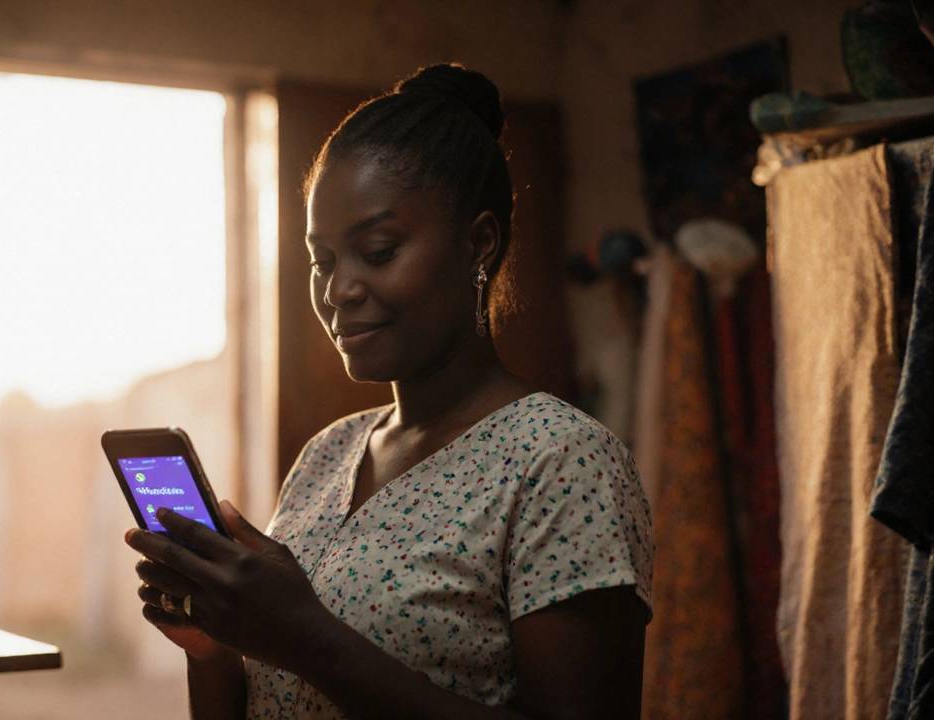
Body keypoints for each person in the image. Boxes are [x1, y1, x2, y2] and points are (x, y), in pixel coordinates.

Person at [124, 63, 653, 720]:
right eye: (323, 260)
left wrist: (307, 638)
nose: (337, 289)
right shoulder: (327, 454)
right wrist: (213, 647)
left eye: (376, 250)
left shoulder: (560, 461)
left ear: (478, 245)